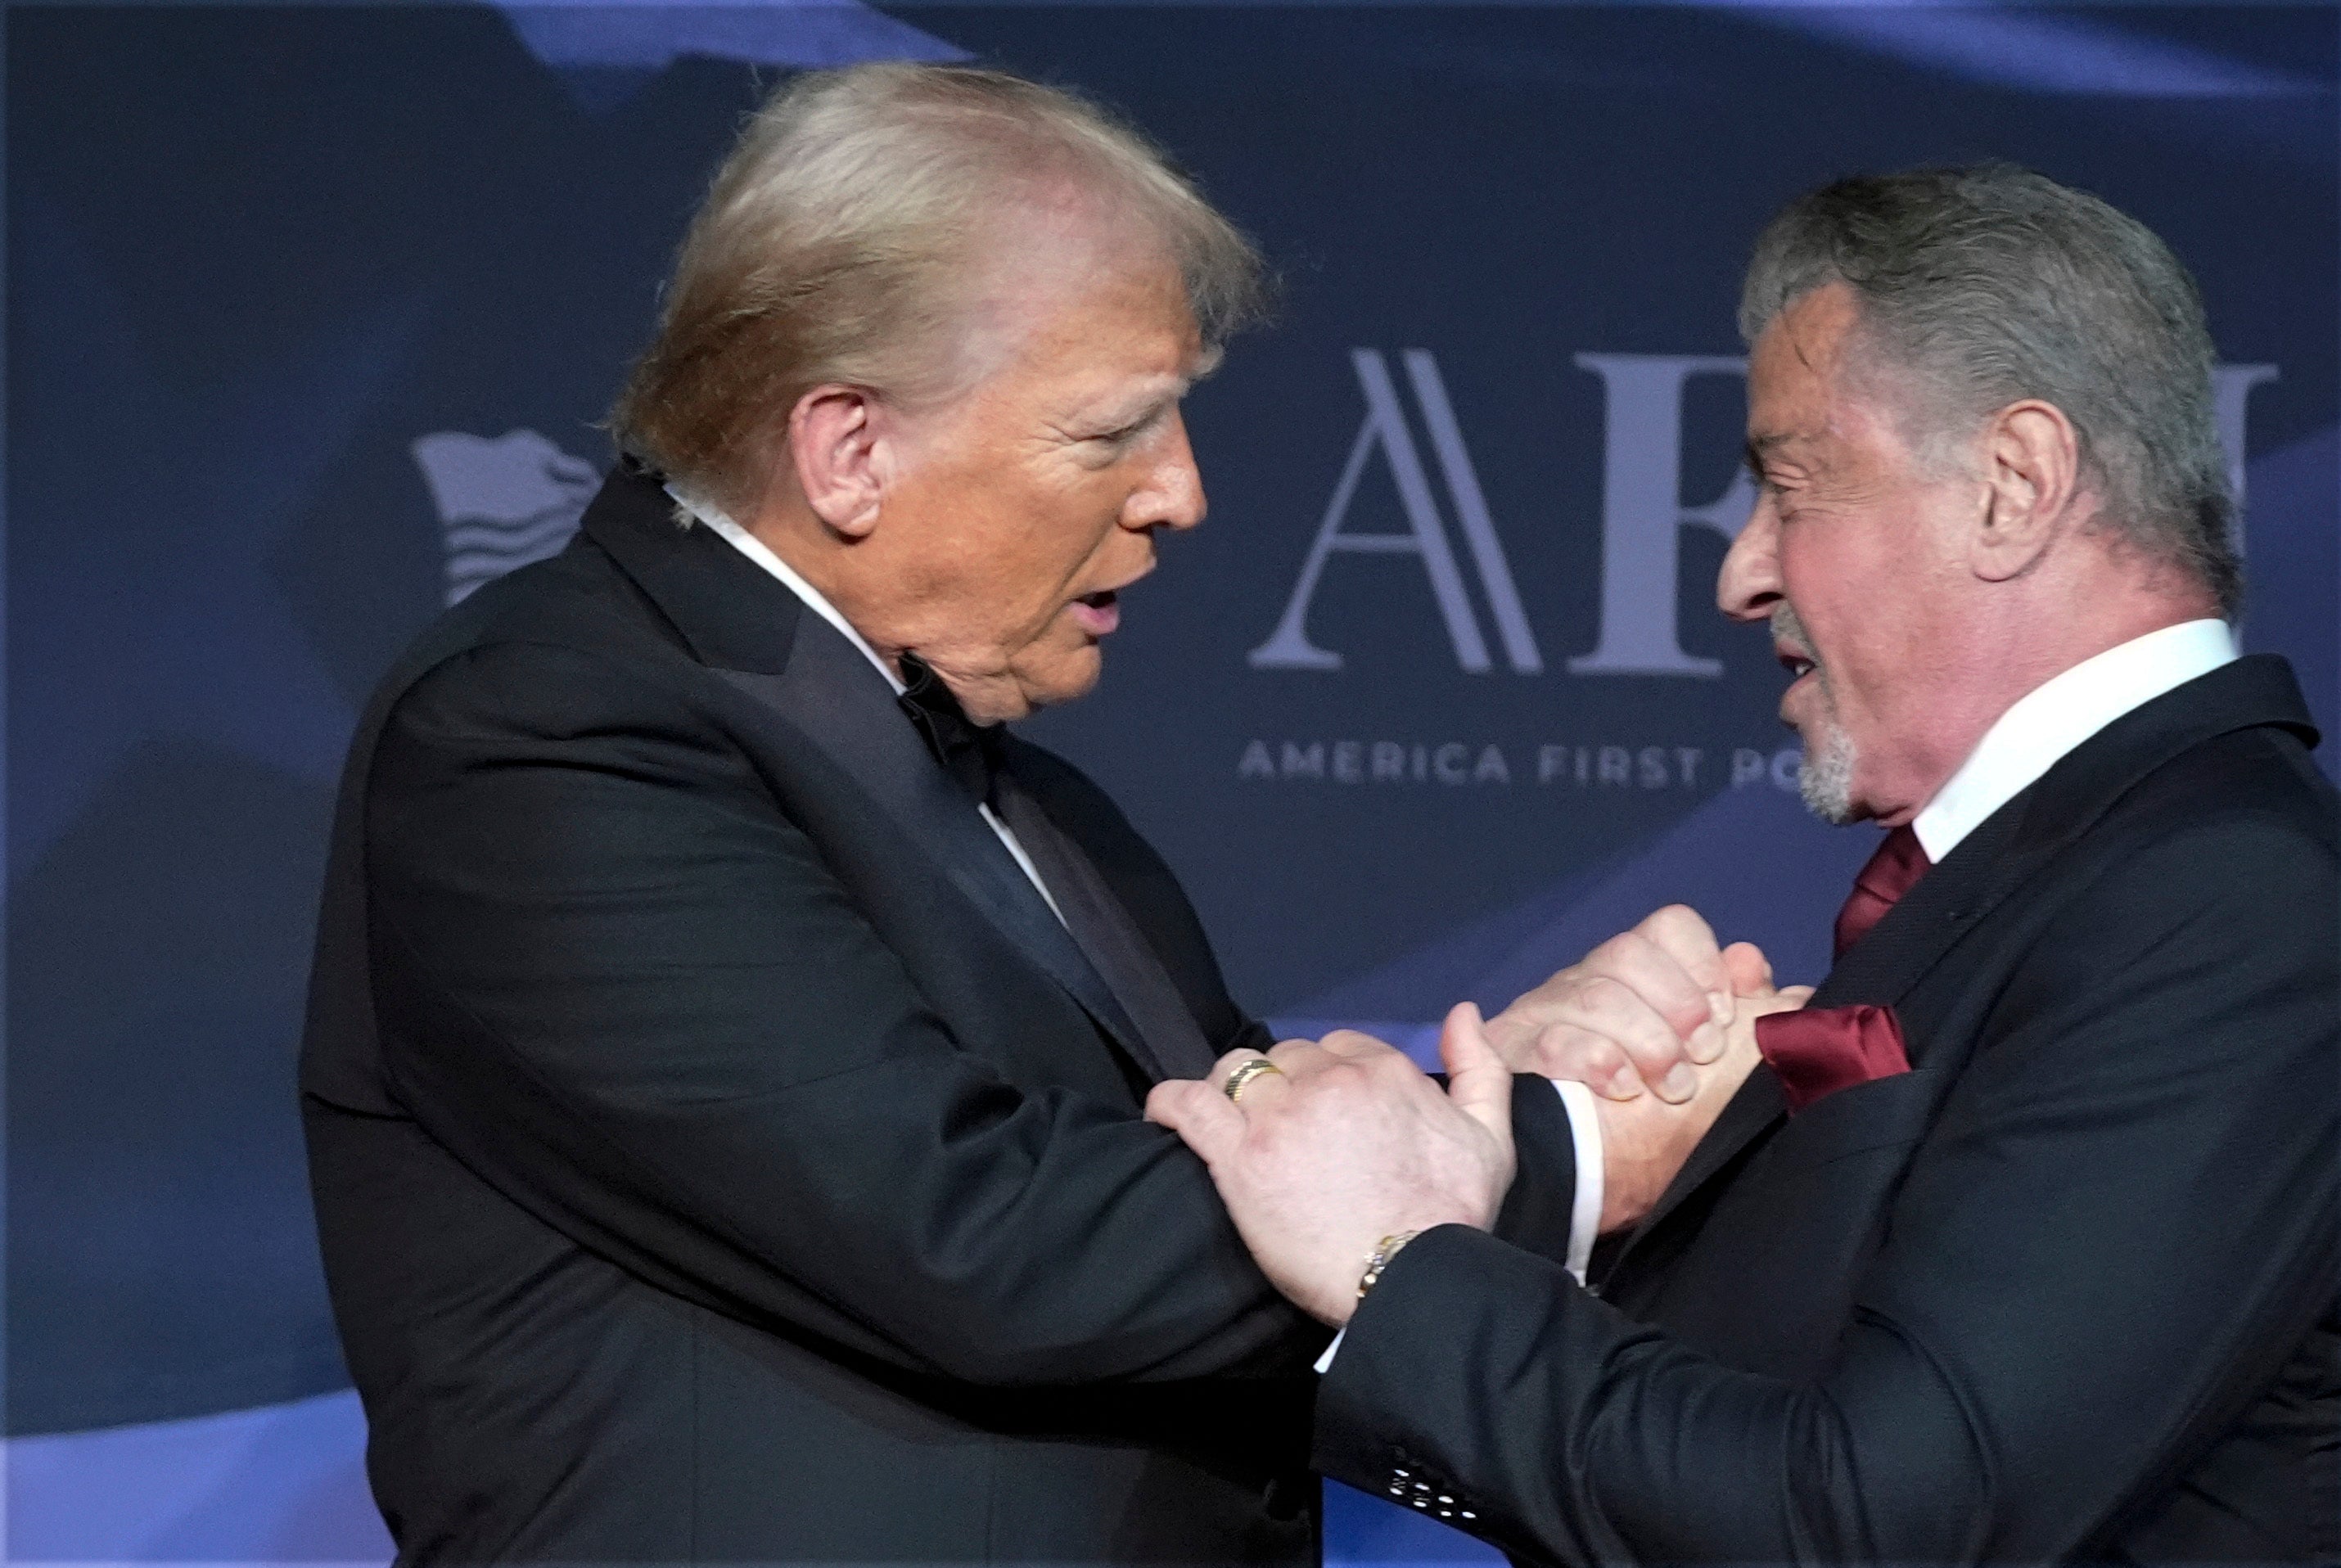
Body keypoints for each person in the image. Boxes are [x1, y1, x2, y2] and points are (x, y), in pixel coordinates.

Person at [301, 62, 1632, 1562]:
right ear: (851, 450)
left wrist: (1503, 1078)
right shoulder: (547, 734)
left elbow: (1253, 1167)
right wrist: (1548, 1154)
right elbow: (974, 1237)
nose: (1181, 494)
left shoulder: (1020, 792)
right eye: (1113, 431)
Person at [1150, 164, 2339, 1561]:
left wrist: (1405, 1267)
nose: (1739, 574)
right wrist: (1578, 1172)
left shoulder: (2222, 901)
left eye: (1789, 485)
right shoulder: (2064, 880)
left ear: (2014, 486)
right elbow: (1771, 1427)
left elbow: (1871, 1524)